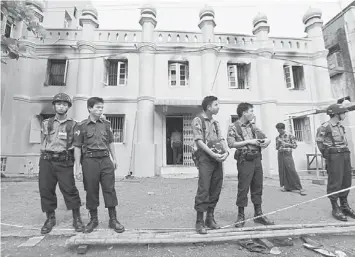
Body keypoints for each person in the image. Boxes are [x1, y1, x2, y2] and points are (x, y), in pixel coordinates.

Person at [73, 97, 125, 233]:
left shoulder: (106, 124)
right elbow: (77, 147)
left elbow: (111, 142)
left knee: (109, 189)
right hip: (89, 161)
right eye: (97, 107)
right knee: (91, 190)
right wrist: (77, 168)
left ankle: (113, 220)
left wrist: (114, 159)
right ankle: (93, 220)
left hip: (105, 160)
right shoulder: (81, 126)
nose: (100, 110)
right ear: (90, 108)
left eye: (102, 107)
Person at [39, 93, 84, 234]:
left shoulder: (74, 124)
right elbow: (44, 141)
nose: (61, 106)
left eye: (64, 104)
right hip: (47, 160)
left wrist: (78, 166)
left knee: (69, 189)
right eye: (58, 104)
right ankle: (50, 218)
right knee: (46, 189)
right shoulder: (46, 123)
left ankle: (76, 218)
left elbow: (77, 146)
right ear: (54, 106)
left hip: (64, 161)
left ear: (68, 107)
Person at [227, 102, 274, 228]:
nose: (252, 113)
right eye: (251, 111)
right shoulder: (234, 127)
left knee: (258, 186)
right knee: (243, 187)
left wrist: (266, 142)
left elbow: (266, 137)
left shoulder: (253, 127)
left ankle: (258, 214)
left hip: (257, 159)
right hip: (245, 160)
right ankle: (240, 215)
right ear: (244, 112)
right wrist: (249, 141)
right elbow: (231, 144)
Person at [191, 96, 229, 234]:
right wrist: (212, 154)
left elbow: (221, 139)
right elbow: (199, 141)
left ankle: (210, 218)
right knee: (204, 188)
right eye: (216, 104)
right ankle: (199, 221)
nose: (218, 107)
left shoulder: (216, 123)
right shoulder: (198, 120)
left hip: (217, 157)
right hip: (205, 158)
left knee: (216, 186)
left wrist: (226, 152)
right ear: (208, 107)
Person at [316, 103, 355, 221]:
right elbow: (319, 142)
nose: (345, 114)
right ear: (336, 114)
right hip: (334, 156)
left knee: (346, 180)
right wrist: (329, 156)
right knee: (335, 181)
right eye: (343, 113)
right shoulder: (325, 126)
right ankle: (335, 207)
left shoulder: (340, 126)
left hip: (344, 154)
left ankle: (344, 205)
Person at [275, 122, 306, 196]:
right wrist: (279, 144)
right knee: (283, 170)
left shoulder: (290, 135)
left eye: (280, 130)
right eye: (278, 130)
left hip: (287, 154)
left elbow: (295, 145)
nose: (279, 131)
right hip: (280, 154)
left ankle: (299, 187)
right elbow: (276, 148)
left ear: (283, 129)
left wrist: (286, 144)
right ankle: (287, 186)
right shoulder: (277, 137)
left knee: (291, 170)